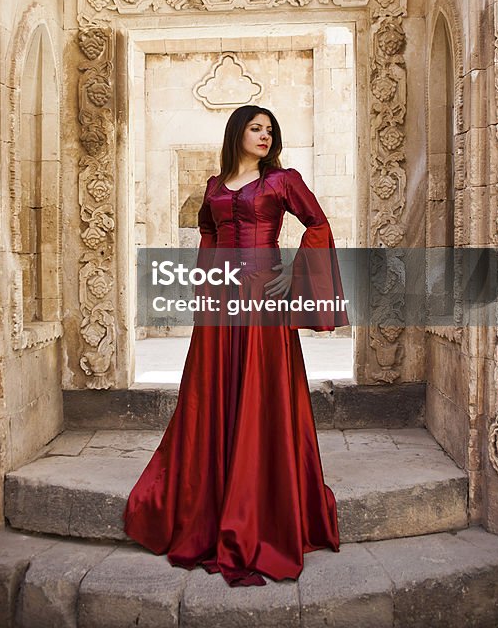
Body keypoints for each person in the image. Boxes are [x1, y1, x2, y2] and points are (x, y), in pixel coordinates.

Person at [124, 105, 350, 587]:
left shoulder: (283, 181)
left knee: (262, 397)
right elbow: (209, 232)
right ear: (237, 133)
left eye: (270, 129)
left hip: (264, 303)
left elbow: (319, 224)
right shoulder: (212, 187)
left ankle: (258, 504)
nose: (265, 135)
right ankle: (212, 494)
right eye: (256, 128)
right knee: (212, 394)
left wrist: (292, 273)